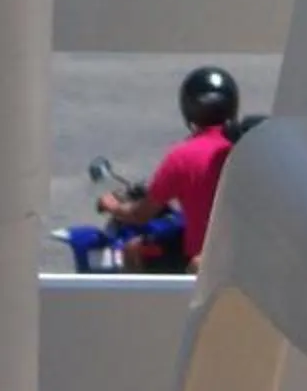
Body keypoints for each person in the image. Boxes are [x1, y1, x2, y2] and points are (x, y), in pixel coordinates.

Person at [100, 66, 245, 265]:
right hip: (242, 256)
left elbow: (140, 214)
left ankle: (143, 297)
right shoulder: (246, 147)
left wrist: (112, 206)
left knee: (132, 250)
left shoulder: (182, 156)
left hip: (202, 259)